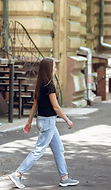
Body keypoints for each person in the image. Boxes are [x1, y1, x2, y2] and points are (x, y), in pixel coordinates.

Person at [8, 58, 79, 188]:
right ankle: (17, 174)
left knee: (59, 149)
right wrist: (67, 120)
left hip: (43, 120)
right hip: (48, 122)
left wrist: (29, 122)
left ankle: (64, 178)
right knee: (39, 151)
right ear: (49, 69)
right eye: (54, 67)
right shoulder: (50, 86)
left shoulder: (41, 84)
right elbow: (56, 107)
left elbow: (35, 104)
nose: (56, 69)